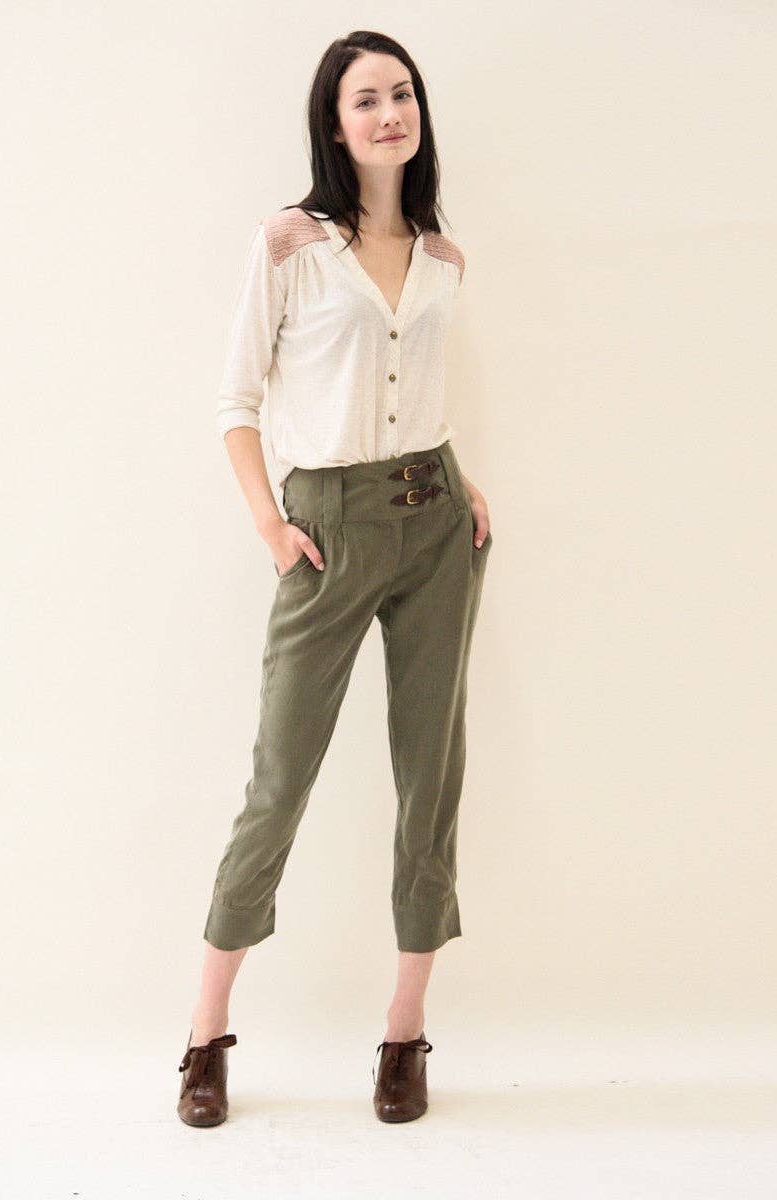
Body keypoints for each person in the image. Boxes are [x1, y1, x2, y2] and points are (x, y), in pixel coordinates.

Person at [177, 30, 493, 1127]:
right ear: (335, 121)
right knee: (279, 783)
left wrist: (464, 482)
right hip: (325, 527)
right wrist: (272, 524)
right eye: (366, 99)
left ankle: (405, 1037)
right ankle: (205, 1036)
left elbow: (422, 388)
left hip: (437, 522)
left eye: (402, 93)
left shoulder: (445, 256)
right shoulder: (292, 242)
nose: (389, 112)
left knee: (431, 780)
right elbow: (236, 399)